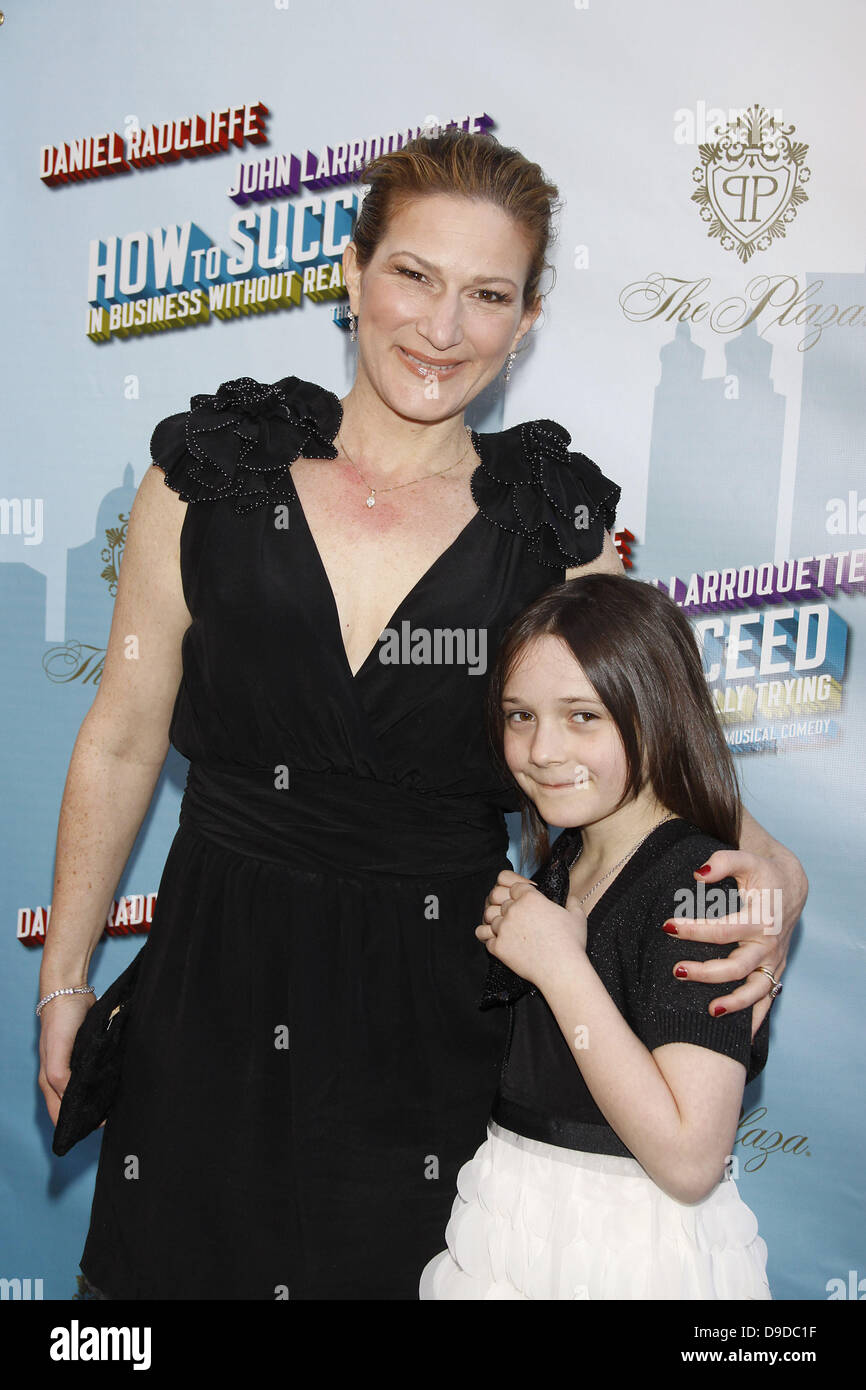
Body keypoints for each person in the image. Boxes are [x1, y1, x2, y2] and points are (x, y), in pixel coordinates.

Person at [37, 130, 804, 1300]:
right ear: (349, 274)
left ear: (528, 317)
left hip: (432, 1018)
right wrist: (65, 982)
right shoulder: (211, 474)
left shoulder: (553, 532)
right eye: (413, 275)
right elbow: (123, 735)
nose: (441, 329)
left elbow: (666, 778)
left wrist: (770, 886)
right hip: (211, 987)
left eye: (486, 294)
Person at [420, 575, 777, 1300]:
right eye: (519, 715)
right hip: (509, 1226)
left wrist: (559, 966)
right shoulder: (564, 863)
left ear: (658, 712)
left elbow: (687, 1157)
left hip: (630, 1258)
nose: (543, 749)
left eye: (582, 715)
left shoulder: (699, 885)